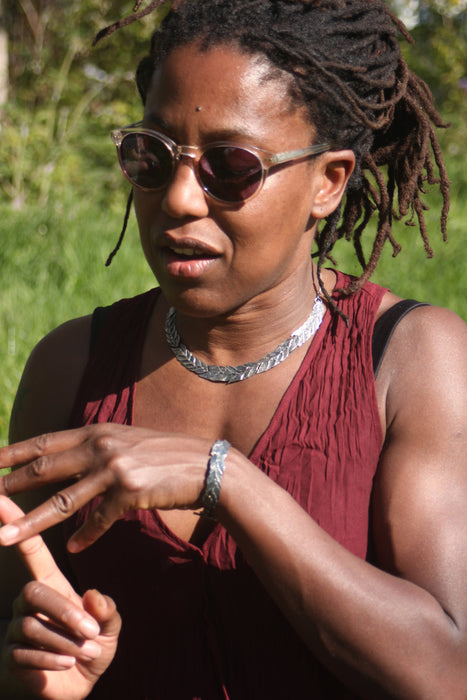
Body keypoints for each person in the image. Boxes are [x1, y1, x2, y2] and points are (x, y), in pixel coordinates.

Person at [0, 0, 466, 697]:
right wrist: (32, 667)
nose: (180, 198)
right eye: (151, 156)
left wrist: (226, 480)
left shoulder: (411, 359)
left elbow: (446, 671)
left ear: (327, 182)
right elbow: (18, 627)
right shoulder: (71, 366)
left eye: (231, 164)